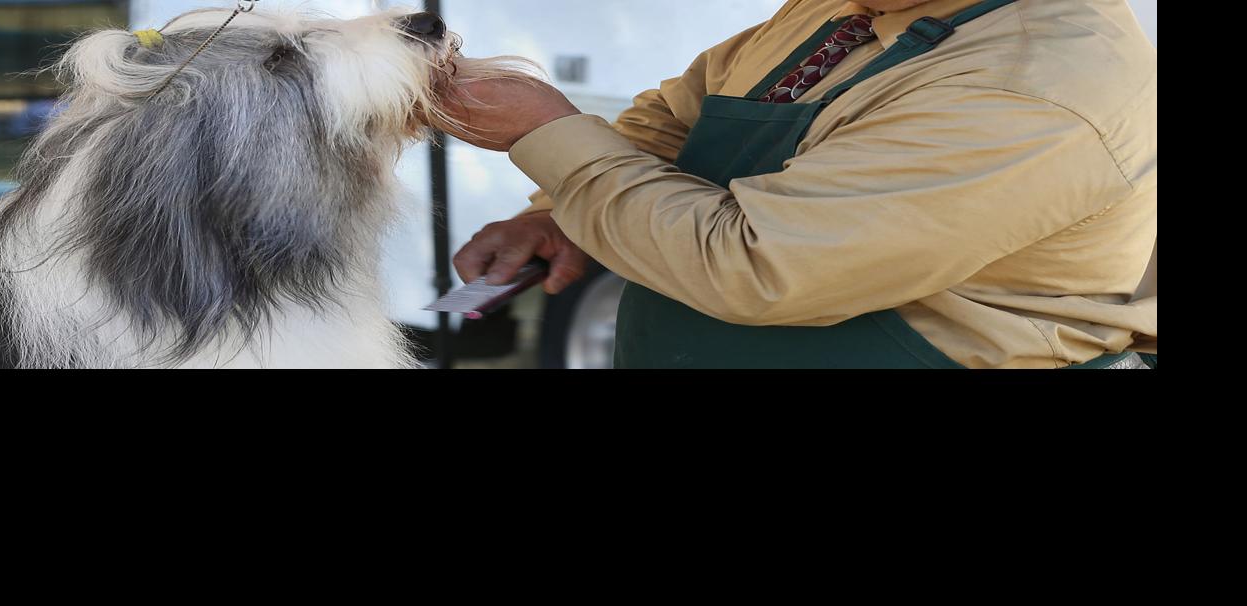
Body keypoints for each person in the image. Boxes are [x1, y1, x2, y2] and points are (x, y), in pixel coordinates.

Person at [438, 0, 1156, 368]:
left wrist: (545, 133)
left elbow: (757, 268)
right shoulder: (851, 10)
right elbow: (679, 116)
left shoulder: (1032, 85)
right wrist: (557, 212)